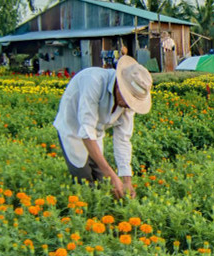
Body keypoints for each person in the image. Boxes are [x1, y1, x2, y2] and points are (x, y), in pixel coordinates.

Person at [53, 56, 153, 199]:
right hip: (73, 128)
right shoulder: (93, 81)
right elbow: (86, 131)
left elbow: (123, 140)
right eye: (127, 98)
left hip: (96, 131)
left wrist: (126, 180)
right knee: (84, 177)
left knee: (103, 181)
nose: (127, 104)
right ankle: (85, 208)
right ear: (120, 85)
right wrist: (112, 174)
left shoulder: (127, 105)